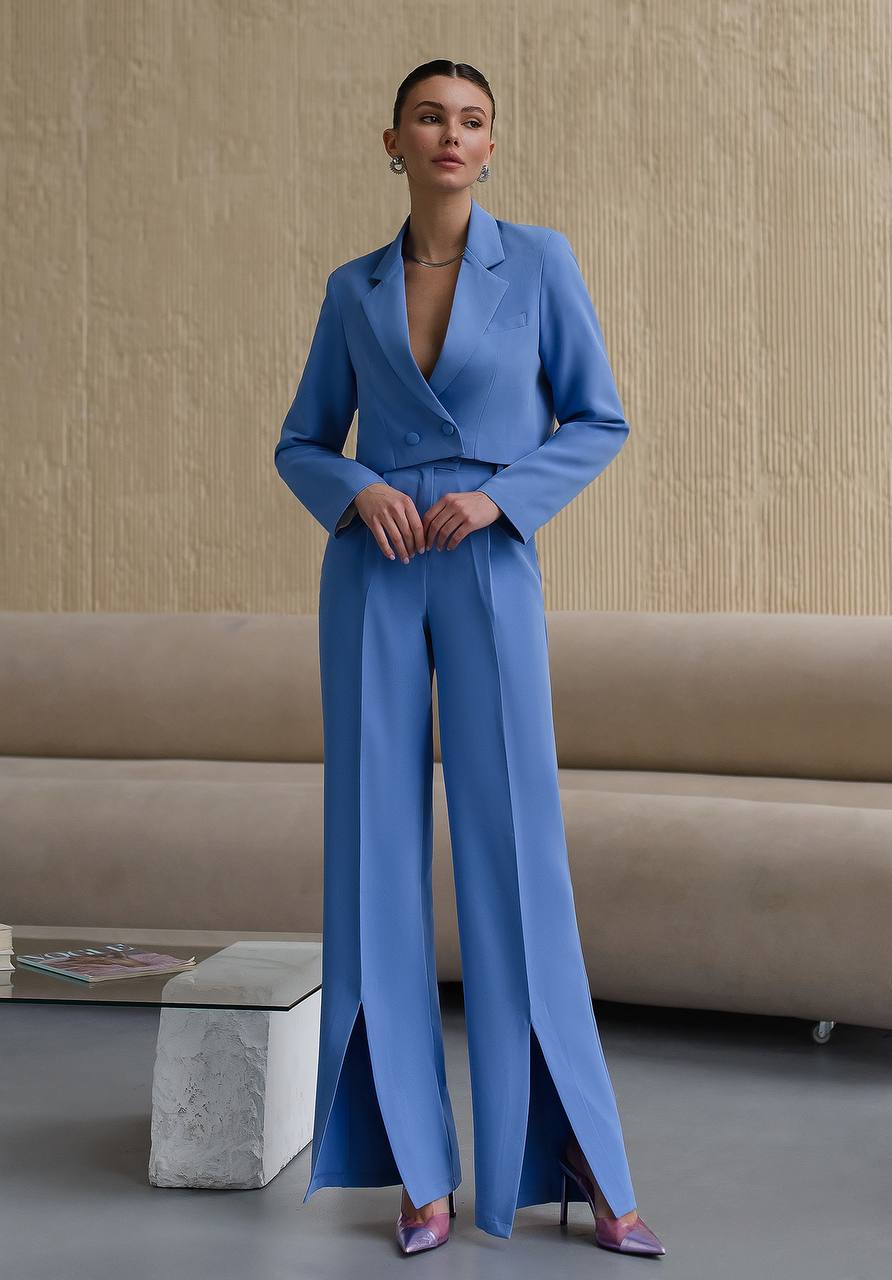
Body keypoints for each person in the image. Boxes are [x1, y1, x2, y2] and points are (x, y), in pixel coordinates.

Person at [273, 59, 665, 1259]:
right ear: (391, 140)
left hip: (491, 569)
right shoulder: (353, 289)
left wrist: (503, 502)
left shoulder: (539, 263)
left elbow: (596, 416)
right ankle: (416, 1171)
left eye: (474, 120)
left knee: (515, 860)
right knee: (374, 863)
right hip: (374, 579)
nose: (453, 135)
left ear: (492, 146)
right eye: (431, 118)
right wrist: (354, 492)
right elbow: (299, 440)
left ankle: (579, 1158)